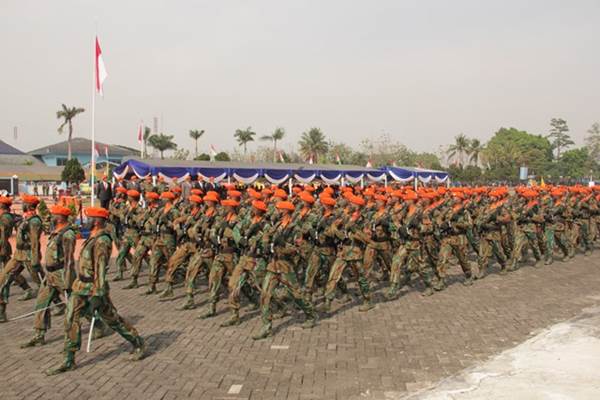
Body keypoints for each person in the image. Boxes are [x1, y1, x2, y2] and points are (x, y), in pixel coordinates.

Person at [46, 207, 145, 375]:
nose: (87, 221)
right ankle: (69, 359)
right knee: (70, 319)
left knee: (113, 320)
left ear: (97, 221)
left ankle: (137, 342)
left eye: (89, 218)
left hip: (94, 288)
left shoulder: (102, 240)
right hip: (80, 286)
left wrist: (98, 293)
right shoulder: (92, 237)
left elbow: (100, 268)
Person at [20, 205, 75, 348]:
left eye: (53, 215)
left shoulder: (67, 234)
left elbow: (69, 259)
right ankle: (39, 334)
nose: (50, 217)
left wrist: (68, 280)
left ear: (60, 218)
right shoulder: (56, 231)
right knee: (42, 303)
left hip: (61, 274)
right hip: (50, 274)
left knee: (76, 303)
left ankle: (99, 323)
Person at [0, 195, 43, 322]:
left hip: (29, 255)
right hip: (19, 255)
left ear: (29, 205)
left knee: (44, 284)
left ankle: (60, 303)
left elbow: (35, 241)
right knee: (3, 280)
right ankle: (1, 312)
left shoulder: (34, 221)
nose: (22, 204)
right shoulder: (26, 218)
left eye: (24, 203)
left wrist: (35, 259)